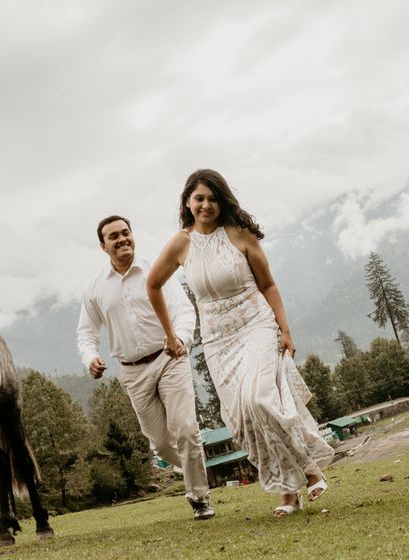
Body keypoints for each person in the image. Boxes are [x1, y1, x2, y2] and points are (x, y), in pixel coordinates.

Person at [147, 169, 336, 517]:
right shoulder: (180, 244)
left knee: (259, 398)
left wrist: (285, 330)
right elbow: (153, 285)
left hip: (255, 324)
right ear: (187, 201)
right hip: (218, 341)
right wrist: (169, 334)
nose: (206, 205)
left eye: (213, 198)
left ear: (222, 201)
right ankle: (288, 492)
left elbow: (268, 285)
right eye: (199, 198)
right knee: (245, 414)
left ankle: (310, 469)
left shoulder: (239, 234)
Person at [77, 214, 215, 520]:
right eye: (114, 236)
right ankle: (196, 467)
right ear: (104, 246)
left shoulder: (155, 269)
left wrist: (179, 338)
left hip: (169, 358)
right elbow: (86, 333)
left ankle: (199, 497)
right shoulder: (95, 288)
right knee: (161, 444)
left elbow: (183, 310)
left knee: (186, 430)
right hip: (132, 371)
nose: (122, 239)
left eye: (126, 233)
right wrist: (90, 358)